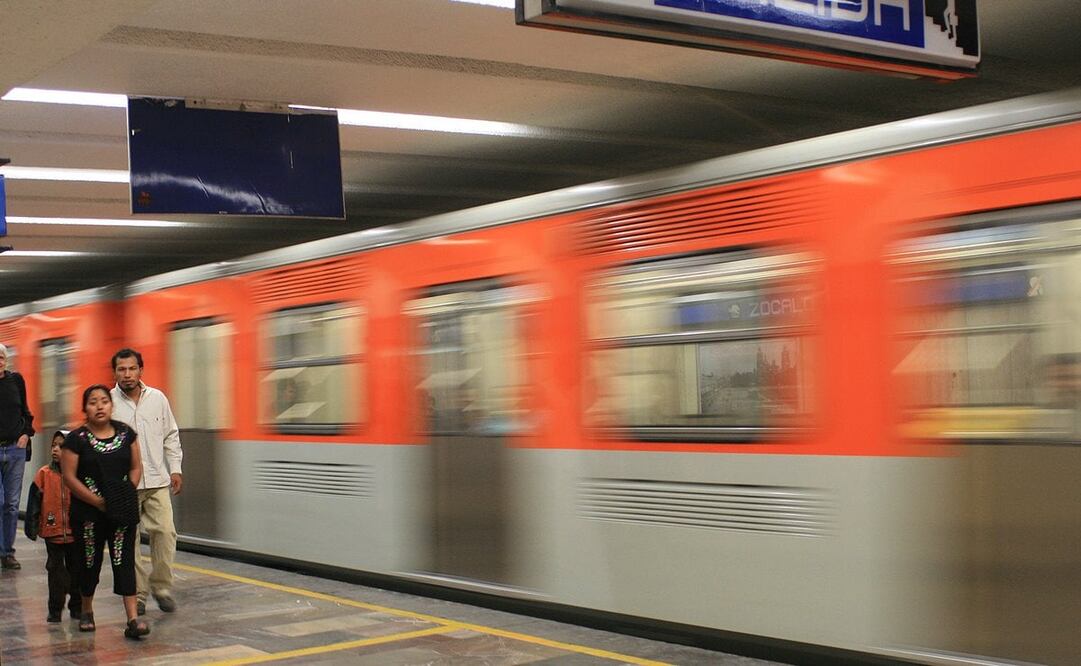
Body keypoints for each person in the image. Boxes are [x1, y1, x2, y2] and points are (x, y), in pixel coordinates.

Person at [61, 384, 150, 639]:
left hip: (120, 512)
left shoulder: (126, 434)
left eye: (104, 401)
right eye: (92, 402)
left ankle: (132, 619)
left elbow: (136, 466)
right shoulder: (75, 440)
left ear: (111, 405)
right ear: (85, 408)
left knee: (124, 563)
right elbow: (69, 477)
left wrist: (123, 494)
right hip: (88, 514)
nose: (99, 406)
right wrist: (98, 501)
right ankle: (87, 610)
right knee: (89, 562)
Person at [110, 348, 182, 615]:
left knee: (165, 532)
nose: (127, 374)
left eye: (132, 368)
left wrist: (175, 469)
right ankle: (137, 595)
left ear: (141, 370)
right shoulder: (108, 402)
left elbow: (171, 435)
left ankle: (161, 588)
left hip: (157, 480)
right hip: (124, 485)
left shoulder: (158, 398)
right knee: (129, 542)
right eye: (121, 369)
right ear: (115, 372)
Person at [25, 430, 82, 622]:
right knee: (55, 570)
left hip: (76, 532)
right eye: (53, 446)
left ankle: (77, 607)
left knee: (77, 570)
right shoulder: (44, 474)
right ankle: (55, 609)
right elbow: (34, 502)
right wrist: (32, 527)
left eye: (61, 446)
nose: (56, 449)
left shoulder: (79, 474)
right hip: (52, 531)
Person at [0, 342, 35, 570]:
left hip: (15, 449)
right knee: (0, 501)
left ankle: (7, 553)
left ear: (6, 360)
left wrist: (25, 434)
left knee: (12, 504)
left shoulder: (16, 381)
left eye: (1, 357)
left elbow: (26, 412)